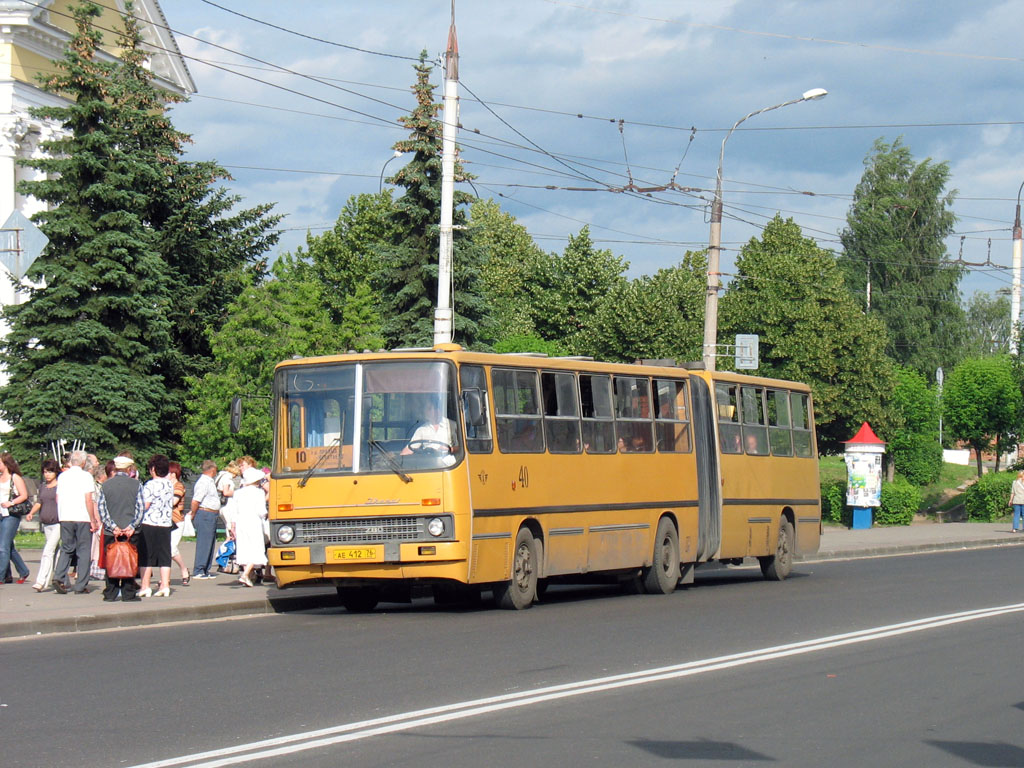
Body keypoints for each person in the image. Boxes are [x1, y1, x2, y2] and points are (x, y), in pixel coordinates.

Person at [96, 455, 144, 602]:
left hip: (111, 532)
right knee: (130, 561)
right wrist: (131, 526)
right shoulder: (137, 485)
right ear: (129, 469)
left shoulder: (106, 485)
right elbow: (140, 508)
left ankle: (111, 592)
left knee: (111, 561)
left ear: (115, 468)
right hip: (131, 531)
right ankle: (128, 593)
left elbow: (101, 508)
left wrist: (113, 526)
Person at [53, 450, 99, 594]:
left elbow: (57, 497)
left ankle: (59, 576)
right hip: (82, 516)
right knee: (84, 550)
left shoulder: (62, 476)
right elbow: (88, 499)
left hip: (65, 516)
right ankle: (80, 584)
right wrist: (93, 519)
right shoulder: (86, 476)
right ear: (84, 462)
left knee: (66, 548)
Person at [138, 454, 174, 598]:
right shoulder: (169, 484)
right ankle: (165, 585)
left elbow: (145, 505)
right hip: (165, 523)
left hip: (150, 522)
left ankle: (145, 586)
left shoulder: (150, 485)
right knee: (165, 555)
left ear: (153, 469)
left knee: (147, 555)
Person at [27, 459, 61, 592]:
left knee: (48, 550)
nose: (47, 474)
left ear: (56, 472)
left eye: (50, 471)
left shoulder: (60, 486)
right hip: (46, 522)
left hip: (58, 522)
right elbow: (39, 502)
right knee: (56, 552)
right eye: (45, 472)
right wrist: (31, 513)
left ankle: (41, 581)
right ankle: (62, 579)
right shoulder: (42, 486)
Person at [232, 467, 268, 588]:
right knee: (256, 548)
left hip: (241, 522)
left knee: (244, 547)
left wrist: (232, 525)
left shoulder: (238, 493)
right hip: (254, 522)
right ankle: (246, 574)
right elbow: (261, 511)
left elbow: (234, 511)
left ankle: (248, 574)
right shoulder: (259, 492)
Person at [0, 452, 31, 585]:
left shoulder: (15, 478)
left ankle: (0, 576)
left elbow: (24, 495)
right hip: (1, 513)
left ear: (6, 464)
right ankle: (23, 571)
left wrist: (11, 502)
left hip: (11, 514)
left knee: (3, 547)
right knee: (8, 546)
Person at [189, 460, 221, 579]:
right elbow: (195, 500)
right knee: (204, 542)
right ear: (212, 470)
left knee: (210, 542)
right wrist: (193, 513)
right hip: (205, 513)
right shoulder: (203, 482)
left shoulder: (209, 481)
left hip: (211, 514)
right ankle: (199, 570)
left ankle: (205, 569)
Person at [168, 461, 190, 585]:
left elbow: (173, 501)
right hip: (166, 521)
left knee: (171, 549)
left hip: (176, 521)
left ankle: (183, 568)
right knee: (166, 550)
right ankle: (165, 578)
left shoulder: (178, 486)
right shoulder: (166, 485)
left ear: (173, 473)